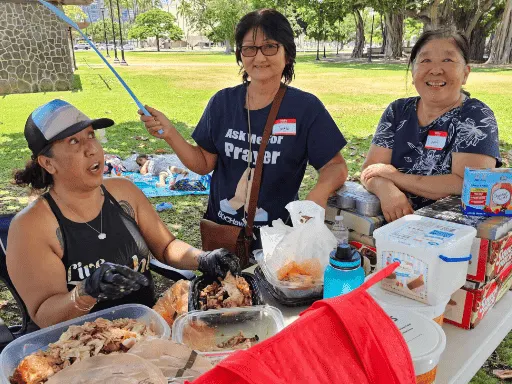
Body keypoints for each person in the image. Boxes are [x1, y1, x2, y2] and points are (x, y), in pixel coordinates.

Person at [7, 99, 240, 329]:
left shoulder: (123, 192)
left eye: (91, 135)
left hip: (148, 331)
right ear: (48, 163)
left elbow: (166, 246)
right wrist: (87, 291)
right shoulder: (32, 226)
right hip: (81, 349)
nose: (92, 149)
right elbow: (43, 315)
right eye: (74, 141)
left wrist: (203, 258)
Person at [140, 9, 348, 240]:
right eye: (249, 48)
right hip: (222, 232)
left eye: (269, 46)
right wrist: (170, 133)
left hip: (278, 238)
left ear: (287, 53)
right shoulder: (222, 103)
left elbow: (335, 166)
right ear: (240, 54)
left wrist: (316, 195)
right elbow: (203, 164)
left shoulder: (305, 108)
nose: (259, 58)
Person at [361, 29, 501, 223]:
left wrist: (395, 176)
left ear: (466, 73)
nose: (435, 70)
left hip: (450, 231)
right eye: (425, 61)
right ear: (413, 71)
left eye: (448, 60)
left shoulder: (475, 116)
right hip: (392, 222)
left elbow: (467, 183)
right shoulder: (398, 111)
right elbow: (370, 169)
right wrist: (387, 190)